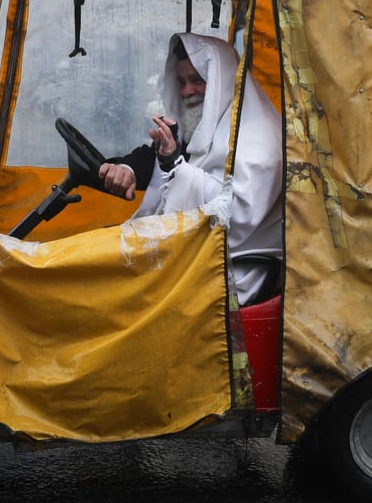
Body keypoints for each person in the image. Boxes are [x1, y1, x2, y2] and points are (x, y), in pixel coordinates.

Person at [99, 33, 283, 305]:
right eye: (182, 82)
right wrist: (127, 168)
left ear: (222, 81)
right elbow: (160, 155)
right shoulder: (210, 125)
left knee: (105, 278)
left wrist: (174, 164)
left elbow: (237, 216)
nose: (187, 91)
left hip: (231, 276)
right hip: (199, 258)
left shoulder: (260, 139)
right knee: (102, 252)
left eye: (198, 80)